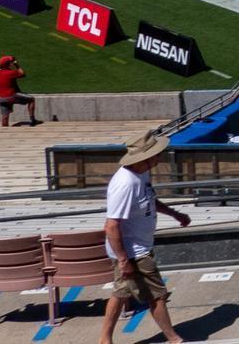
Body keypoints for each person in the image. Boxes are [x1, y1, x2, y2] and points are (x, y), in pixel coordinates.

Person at [98, 133, 191, 344]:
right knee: (156, 295)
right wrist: (124, 260)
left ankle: (105, 339)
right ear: (144, 158)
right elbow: (111, 226)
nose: (160, 157)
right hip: (133, 252)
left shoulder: (142, 174)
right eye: (156, 154)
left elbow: (150, 199)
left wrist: (175, 214)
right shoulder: (125, 184)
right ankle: (173, 338)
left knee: (121, 292)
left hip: (136, 247)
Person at [0, 55, 37, 126]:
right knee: (31, 99)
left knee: (5, 117)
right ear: (7, 64)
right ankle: (32, 119)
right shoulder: (11, 73)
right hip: (12, 96)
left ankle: (4, 131)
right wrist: (17, 65)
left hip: (0, 98)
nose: (11, 64)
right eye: (10, 63)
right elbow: (22, 73)